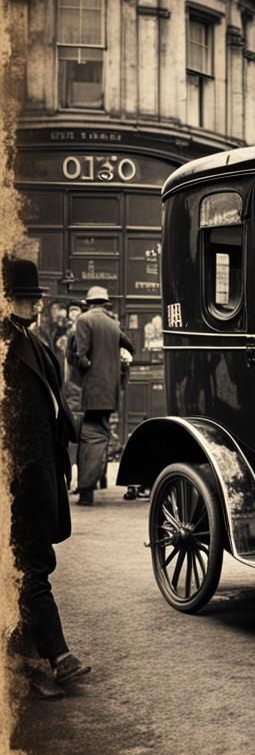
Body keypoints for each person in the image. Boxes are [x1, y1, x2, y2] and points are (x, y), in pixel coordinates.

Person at [2, 258, 90, 698]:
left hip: (40, 473)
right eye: (24, 298)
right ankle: (55, 656)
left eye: (34, 297)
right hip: (18, 479)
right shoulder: (7, 346)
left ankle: (36, 660)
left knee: (29, 566)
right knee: (32, 567)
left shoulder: (31, 341)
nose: (34, 304)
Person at [69, 286, 134, 505]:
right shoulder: (112, 323)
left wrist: (87, 367)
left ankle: (86, 491)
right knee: (102, 432)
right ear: (105, 303)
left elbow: (81, 356)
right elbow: (130, 347)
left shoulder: (84, 320)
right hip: (110, 391)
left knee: (91, 437)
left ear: (89, 303)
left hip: (94, 390)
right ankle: (100, 479)